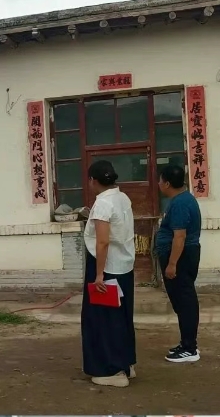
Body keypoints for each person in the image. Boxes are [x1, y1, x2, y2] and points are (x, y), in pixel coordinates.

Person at [81, 160, 136, 388]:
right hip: (124, 266)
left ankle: (112, 370)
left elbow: (102, 242)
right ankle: (126, 364)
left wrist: (99, 275)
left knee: (103, 321)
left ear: (93, 180)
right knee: (122, 318)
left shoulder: (103, 203)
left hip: (106, 268)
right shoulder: (122, 198)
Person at [156, 164, 202, 363]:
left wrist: (172, 263)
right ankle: (186, 344)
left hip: (181, 256)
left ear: (167, 183)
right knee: (183, 301)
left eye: (160, 180)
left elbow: (179, 236)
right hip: (182, 254)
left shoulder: (181, 203)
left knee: (185, 301)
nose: (158, 184)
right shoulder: (182, 199)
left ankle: (189, 348)